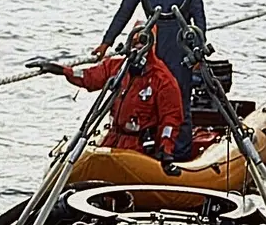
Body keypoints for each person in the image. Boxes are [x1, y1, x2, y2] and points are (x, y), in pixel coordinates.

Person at [92, 0, 207, 162]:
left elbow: (198, 13)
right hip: (151, 46)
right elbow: (125, 10)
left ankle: (180, 155)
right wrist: (107, 42)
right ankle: (151, 150)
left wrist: (198, 49)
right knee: (148, 97)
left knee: (179, 99)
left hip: (179, 46)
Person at [35, 25, 183, 166]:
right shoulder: (117, 68)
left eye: (142, 43)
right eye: (135, 42)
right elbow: (89, 77)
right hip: (113, 139)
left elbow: (171, 118)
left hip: (139, 147)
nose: (138, 47)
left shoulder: (162, 79)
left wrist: (165, 148)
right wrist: (61, 70)